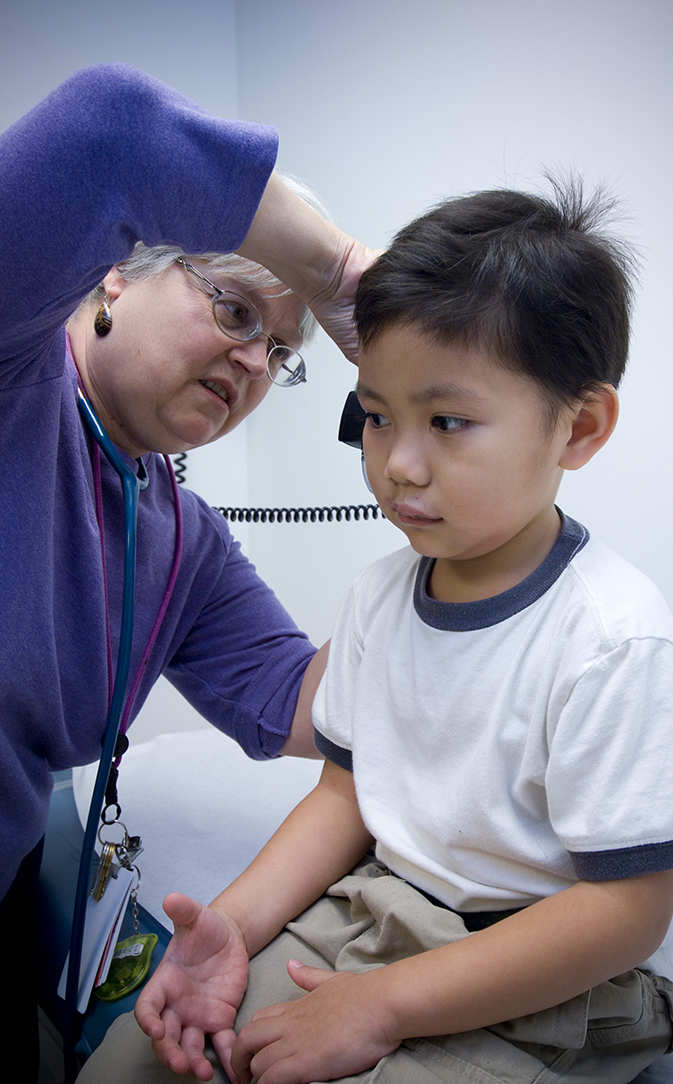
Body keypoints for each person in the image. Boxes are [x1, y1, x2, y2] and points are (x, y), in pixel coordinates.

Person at [77, 180, 673, 1084]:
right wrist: (236, 926)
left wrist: (384, 1003)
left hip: (546, 966)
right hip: (379, 907)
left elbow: (629, 912)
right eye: (376, 417)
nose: (396, 465)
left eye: (447, 421)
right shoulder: (381, 598)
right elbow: (345, 797)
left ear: (581, 427)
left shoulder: (614, 637)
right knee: (138, 1066)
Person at [0, 62, 376, 1078]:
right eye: (238, 311)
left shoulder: (182, 535)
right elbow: (113, 131)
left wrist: (467, 568)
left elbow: (302, 700)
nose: (259, 362)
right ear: (116, 274)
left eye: (286, 348)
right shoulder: (13, 367)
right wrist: (343, 279)